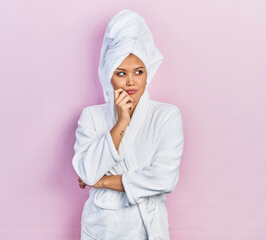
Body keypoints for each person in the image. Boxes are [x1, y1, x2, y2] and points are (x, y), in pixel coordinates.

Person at [72, 9, 184, 240]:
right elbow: (85, 170)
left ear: (147, 73)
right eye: (121, 73)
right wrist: (121, 122)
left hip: (149, 227)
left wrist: (101, 181)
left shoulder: (166, 115)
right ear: (109, 75)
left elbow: (165, 179)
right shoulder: (92, 116)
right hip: (103, 226)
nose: (131, 81)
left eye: (139, 72)